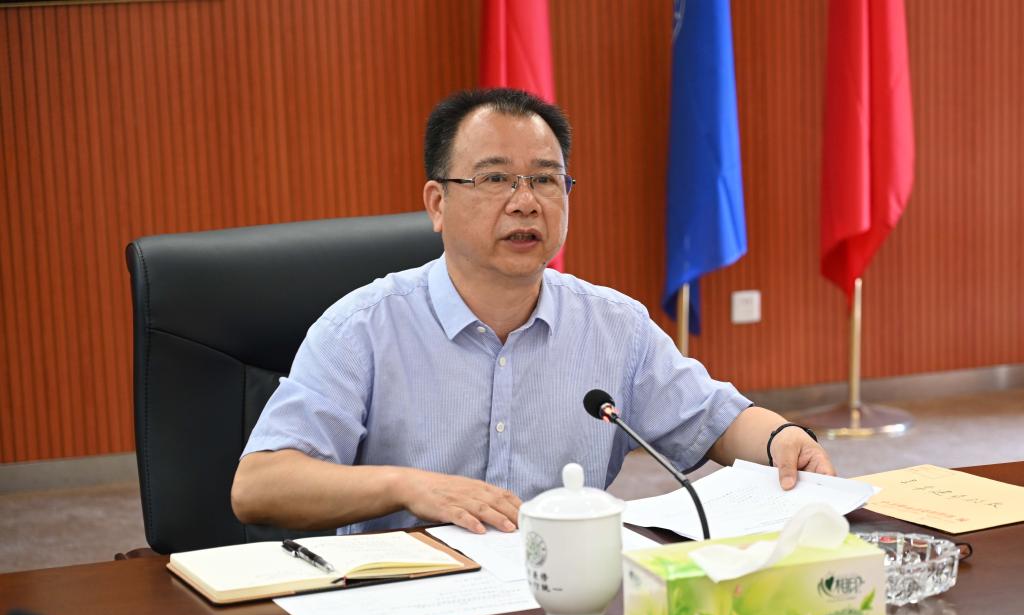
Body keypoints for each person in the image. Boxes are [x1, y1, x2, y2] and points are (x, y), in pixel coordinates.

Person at [231, 88, 835, 536]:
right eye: (496, 179)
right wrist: (407, 486)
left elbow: (716, 421)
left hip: (562, 594)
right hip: (407, 602)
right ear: (437, 203)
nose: (525, 203)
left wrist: (782, 438)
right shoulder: (362, 328)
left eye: (546, 181)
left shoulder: (614, 326)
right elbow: (259, 486)